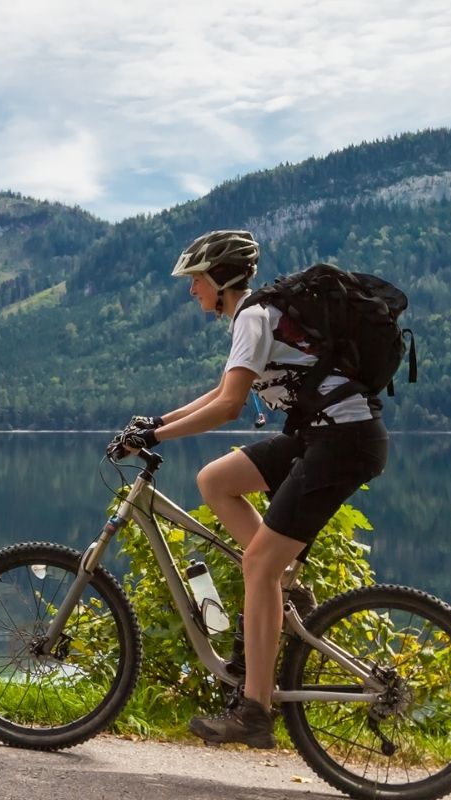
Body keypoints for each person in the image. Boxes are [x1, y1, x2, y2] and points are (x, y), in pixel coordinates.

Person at [105, 229, 389, 748]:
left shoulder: (254, 316)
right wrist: (156, 420)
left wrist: (155, 435)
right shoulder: (254, 318)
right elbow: (221, 390)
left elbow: (231, 406)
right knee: (215, 480)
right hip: (317, 437)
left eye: (196, 280)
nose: (192, 291)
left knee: (257, 563)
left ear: (220, 279)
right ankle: (281, 587)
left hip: (342, 443)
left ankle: (254, 712)